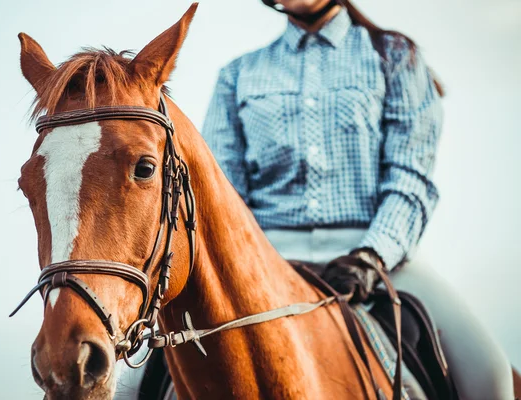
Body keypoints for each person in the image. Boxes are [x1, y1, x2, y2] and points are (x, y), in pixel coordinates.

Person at [201, 1, 514, 398]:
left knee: (490, 376)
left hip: (375, 251)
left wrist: (372, 257)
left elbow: (410, 176)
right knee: (137, 379)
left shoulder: (395, 56)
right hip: (267, 252)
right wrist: (247, 258)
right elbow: (223, 188)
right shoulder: (237, 75)